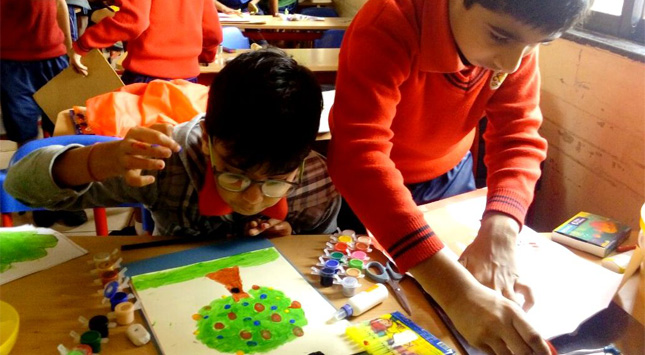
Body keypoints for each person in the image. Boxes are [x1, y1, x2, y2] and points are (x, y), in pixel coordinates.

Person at [327, 0, 591, 353]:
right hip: (374, 192)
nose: (512, 63)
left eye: (539, 44)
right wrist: (455, 292)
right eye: (499, 36)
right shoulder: (388, 22)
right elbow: (359, 156)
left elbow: (517, 136)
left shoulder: (516, 41)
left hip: (450, 179)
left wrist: (501, 228)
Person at [6, 48, 340, 239]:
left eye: (274, 180)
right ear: (208, 138)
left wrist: (291, 239)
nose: (252, 199)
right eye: (234, 174)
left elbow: (323, 247)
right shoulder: (166, 164)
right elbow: (21, 186)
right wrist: (105, 158)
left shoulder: (316, 180)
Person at [68, 0, 222, 84]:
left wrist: (83, 44)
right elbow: (213, 32)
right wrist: (206, 56)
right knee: (178, 140)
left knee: (140, 142)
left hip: (146, 79)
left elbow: (134, 21)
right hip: (188, 80)